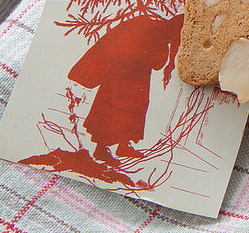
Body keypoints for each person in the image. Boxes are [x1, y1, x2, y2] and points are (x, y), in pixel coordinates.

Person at [67, 14, 182, 164]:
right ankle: (100, 149)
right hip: (118, 78)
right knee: (111, 109)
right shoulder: (145, 25)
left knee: (135, 111)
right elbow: (152, 60)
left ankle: (123, 146)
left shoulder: (161, 35)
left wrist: (167, 56)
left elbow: (157, 63)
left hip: (139, 81)